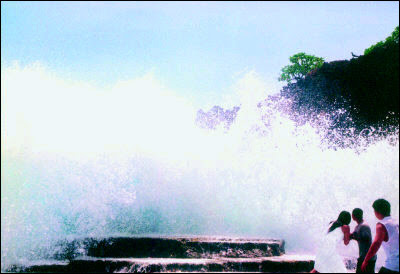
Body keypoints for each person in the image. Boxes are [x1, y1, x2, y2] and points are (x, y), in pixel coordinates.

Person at [361, 199, 399, 273]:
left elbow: (376, 243)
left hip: (392, 266)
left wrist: (366, 260)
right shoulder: (396, 222)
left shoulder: (381, 225)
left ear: (376, 212)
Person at [350, 208, 376, 273]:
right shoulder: (358, 226)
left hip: (368, 258)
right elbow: (353, 235)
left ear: (353, 216)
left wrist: (355, 237)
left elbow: (366, 239)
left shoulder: (364, 226)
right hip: (364, 256)